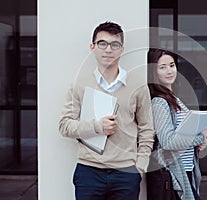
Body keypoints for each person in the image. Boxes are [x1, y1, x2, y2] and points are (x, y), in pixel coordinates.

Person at [59, 21, 155, 200]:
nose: (108, 49)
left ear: (122, 49)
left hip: (126, 173)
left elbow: (147, 128)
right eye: (102, 43)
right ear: (92, 47)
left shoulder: (138, 84)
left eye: (114, 44)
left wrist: (140, 166)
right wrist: (97, 127)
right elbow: (65, 125)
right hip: (89, 172)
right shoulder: (80, 83)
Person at [146, 48, 207, 200]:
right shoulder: (160, 102)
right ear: (154, 72)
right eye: (162, 67)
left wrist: (200, 137)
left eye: (172, 65)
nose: (169, 71)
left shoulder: (174, 98)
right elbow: (168, 141)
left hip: (185, 171)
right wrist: (200, 137)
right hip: (174, 174)